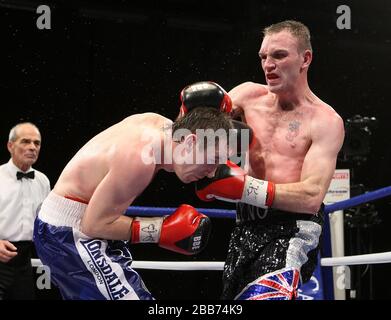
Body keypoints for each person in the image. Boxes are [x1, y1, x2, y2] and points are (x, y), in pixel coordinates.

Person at [195, 20, 345, 299]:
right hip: (245, 225)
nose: (268, 65)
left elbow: (312, 196)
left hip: (293, 229)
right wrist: (192, 122)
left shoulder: (325, 121)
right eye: (264, 57)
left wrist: (242, 188)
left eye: (279, 55)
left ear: (305, 59)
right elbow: (192, 138)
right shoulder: (247, 96)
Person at [33, 93, 234, 300]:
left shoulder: (163, 128)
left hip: (74, 228)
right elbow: (92, 225)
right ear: (191, 142)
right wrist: (160, 230)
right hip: (70, 234)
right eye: (214, 159)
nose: (212, 172)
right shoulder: (140, 158)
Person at [0, 122, 50, 300]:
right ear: (10, 145)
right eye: (25, 141)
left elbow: (45, 222)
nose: (32, 147)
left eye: (37, 143)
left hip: (24, 260)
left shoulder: (42, 181)